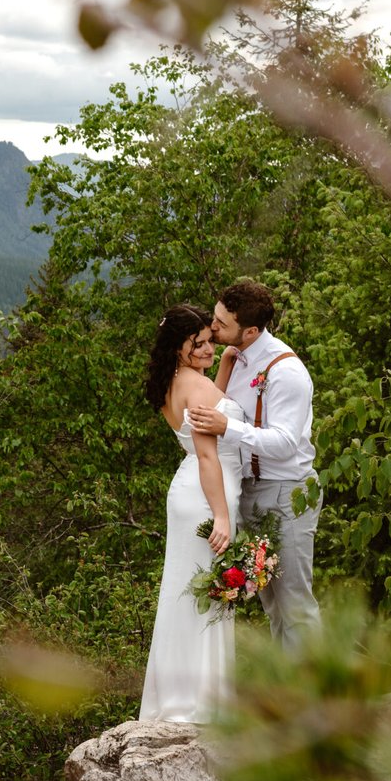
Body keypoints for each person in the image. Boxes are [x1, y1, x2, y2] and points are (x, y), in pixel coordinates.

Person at [189, 281, 322, 651]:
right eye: (215, 317)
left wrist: (226, 428)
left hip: (286, 494)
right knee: (272, 604)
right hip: (250, 492)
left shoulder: (286, 371)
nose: (212, 327)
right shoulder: (236, 357)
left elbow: (284, 444)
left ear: (250, 330)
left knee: (295, 604)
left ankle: (314, 686)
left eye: (221, 323)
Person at [138, 303, 246, 722]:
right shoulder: (196, 387)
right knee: (204, 595)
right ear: (178, 347)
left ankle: (181, 696)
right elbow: (206, 455)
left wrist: (224, 367)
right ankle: (199, 702)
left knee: (185, 594)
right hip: (205, 494)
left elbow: (208, 403)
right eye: (196, 344)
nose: (207, 349)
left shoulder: (176, 381)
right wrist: (221, 516)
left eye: (208, 341)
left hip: (189, 492)